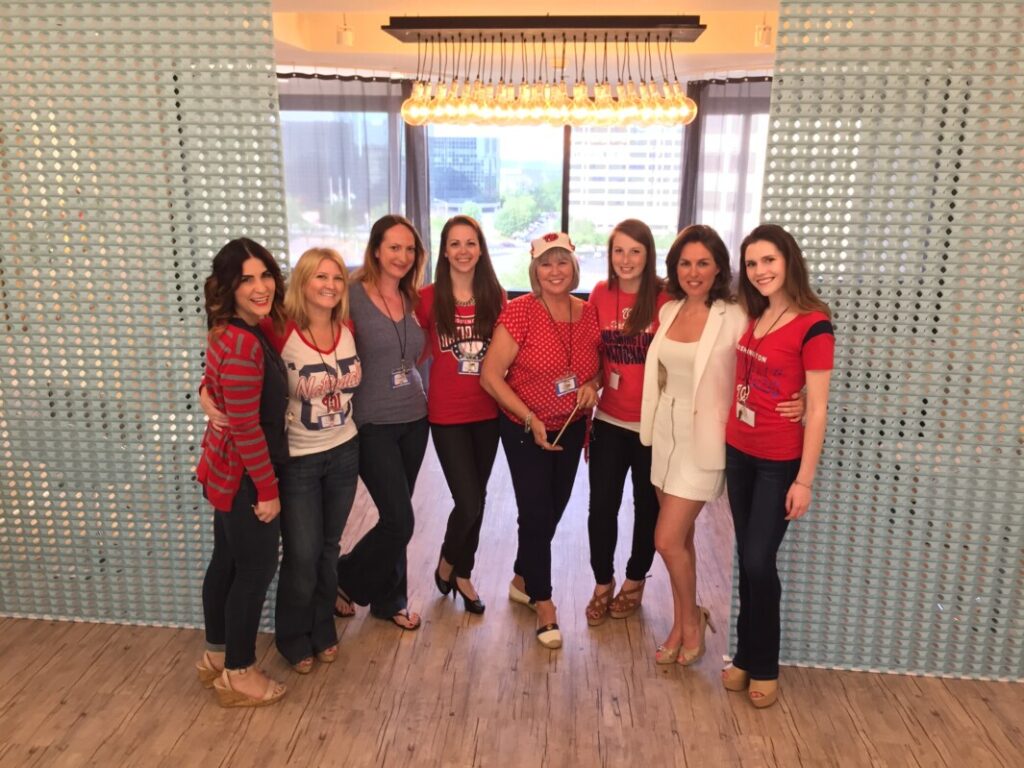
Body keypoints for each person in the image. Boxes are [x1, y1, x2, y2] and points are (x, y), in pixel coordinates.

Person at [640, 225, 805, 669]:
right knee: (684, 541)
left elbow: (774, 353)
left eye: (703, 263)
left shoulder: (735, 314)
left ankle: (692, 622)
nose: (693, 272)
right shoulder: (670, 308)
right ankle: (680, 622)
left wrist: (803, 393)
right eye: (685, 263)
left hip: (708, 437)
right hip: (665, 433)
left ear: (719, 268)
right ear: (675, 268)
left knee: (666, 539)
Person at [201, 248, 362, 673]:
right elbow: (229, 372)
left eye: (337, 278)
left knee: (329, 549)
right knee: (303, 553)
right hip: (299, 460)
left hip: (345, 451)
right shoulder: (277, 329)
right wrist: (205, 394)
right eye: (319, 277)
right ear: (302, 282)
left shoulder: (348, 328)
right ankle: (292, 635)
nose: (329, 285)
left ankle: (322, 625)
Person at [721, 223, 834, 708]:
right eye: (752, 263)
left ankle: (765, 663)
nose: (761, 271)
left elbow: (820, 406)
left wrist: (804, 480)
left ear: (788, 259)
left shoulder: (814, 322)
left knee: (757, 561)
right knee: (748, 559)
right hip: (739, 450)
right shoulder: (758, 313)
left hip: (777, 460)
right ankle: (745, 656)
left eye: (769, 260)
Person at [481, 232, 601, 649]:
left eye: (562, 262)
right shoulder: (519, 313)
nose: (555, 271)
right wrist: (529, 417)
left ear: (574, 268)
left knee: (551, 511)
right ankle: (544, 601)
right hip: (523, 427)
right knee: (534, 512)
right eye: (546, 264)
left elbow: (598, 369)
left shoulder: (589, 315)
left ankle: (520, 577)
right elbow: (490, 375)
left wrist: (593, 385)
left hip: (570, 427)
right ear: (534, 270)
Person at [195, 238, 289, 708]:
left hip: (227, 469)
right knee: (255, 569)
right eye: (246, 279)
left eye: (265, 275)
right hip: (247, 473)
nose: (260, 287)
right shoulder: (243, 342)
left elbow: (220, 387)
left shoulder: (235, 330)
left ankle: (216, 657)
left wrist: (204, 392)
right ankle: (239, 672)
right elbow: (247, 424)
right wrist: (268, 490)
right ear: (228, 287)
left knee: (227, 562)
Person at [334, 214, 428, 630]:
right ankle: (343, 579)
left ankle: (391, 600)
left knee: (398, 514)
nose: (402, 256)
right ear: (375, 249)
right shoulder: (350, 295)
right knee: (399, 520)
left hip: (415, 416)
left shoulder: (414, 297)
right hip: (371, 422)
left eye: (409, 249)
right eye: (394, 247)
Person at [415, 215, 505, 614]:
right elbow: (410, 349)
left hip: (488, 411)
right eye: (455, 243)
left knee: (479, 498)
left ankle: (463, 574)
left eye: (471, 243)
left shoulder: (495, 295)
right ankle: (447, 563)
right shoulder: (427, 299)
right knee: (467, 500)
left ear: (481, 249)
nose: (463, 251)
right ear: (445, 250)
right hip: (446, 413)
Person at [584, 219, 668, 626]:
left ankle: (635, 581)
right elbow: (595, 357)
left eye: (635, 251)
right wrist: (593, 380)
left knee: (647, 507)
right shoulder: (601, 293)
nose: (627, 259)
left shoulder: (668, 297)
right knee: (601, 506)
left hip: (654, 425)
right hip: (610, 418)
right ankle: (603, 582)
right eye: (619, 251)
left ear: (649, 255)